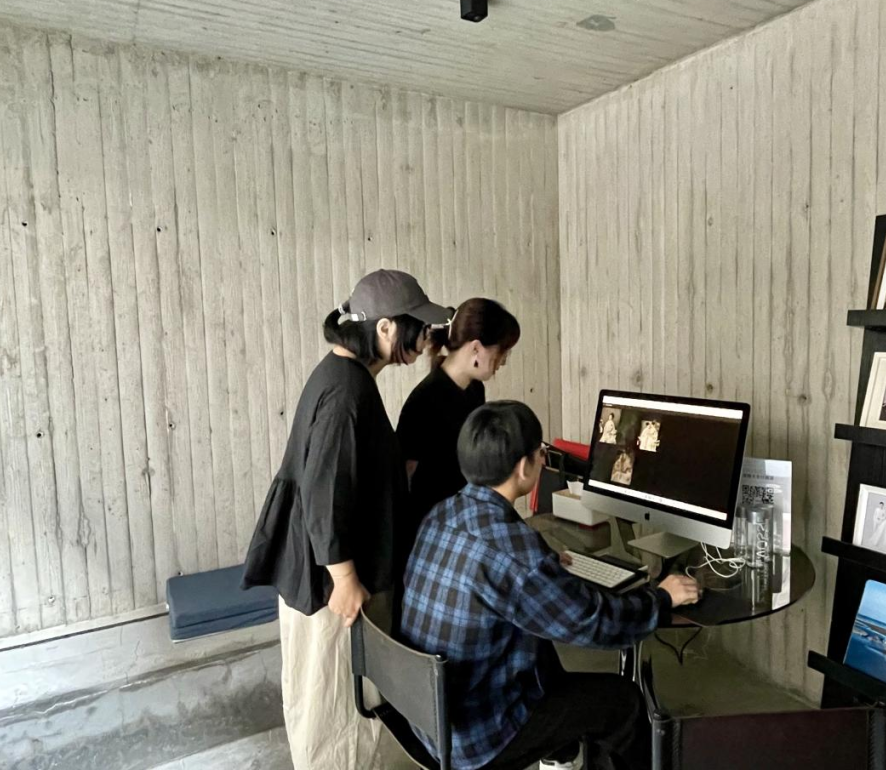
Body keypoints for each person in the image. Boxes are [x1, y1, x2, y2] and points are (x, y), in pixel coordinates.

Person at [401, 402, 700, 770]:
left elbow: (496, 562)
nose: (544, 459)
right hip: (478, 737)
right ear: (523, 467)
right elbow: (594, 623)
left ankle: (560, 755)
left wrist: (540, 563)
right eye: (539, 451)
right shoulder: (515, 556)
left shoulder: (442, 512)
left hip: (426, 715)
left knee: (544, 655)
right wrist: (662, 597)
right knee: (624, 703)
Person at [241, 269, 451, 770]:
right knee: (336, 704)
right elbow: (324, 494)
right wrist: (345, 578)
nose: (425, 338)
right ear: (385, 328)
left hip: (322, 570)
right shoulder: (346, 393)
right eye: (417, 327)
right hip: (331, 583)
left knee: (325, 697)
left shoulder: (344, 376)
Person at [397, 298, 521, 523]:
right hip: (432, 525)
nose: (503, 361)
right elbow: (404, 478)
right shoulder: (424, 401)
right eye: (502, 351)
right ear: (476, 348)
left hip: (465, 516)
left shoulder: (475, 389)